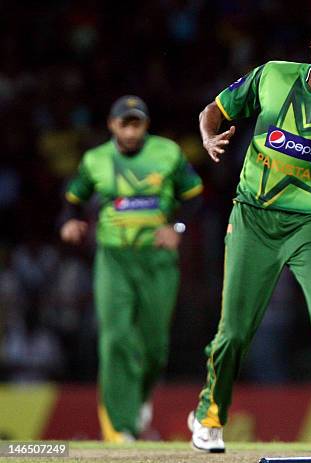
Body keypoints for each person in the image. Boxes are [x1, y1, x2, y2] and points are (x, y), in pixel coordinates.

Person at [188, 11, 311, 453]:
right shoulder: (272, 75)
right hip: (252, 218)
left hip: (309, 223)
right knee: (236, 331)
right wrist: (208, 138)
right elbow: (213, 111)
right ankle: (209, 417)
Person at [60, 95, 203, 442]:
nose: (130, 130)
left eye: (136, 123)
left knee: (155, 346)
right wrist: (70, 223)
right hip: (114, 258)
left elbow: (195, 196)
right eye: (124, 123)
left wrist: (177, 228)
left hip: (157, 260)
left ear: (146, 125)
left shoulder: (167, 153)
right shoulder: (95, 160)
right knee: (115, 338)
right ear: (112, 125)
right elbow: (73, 199)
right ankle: (120, 427)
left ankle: (140, 400)